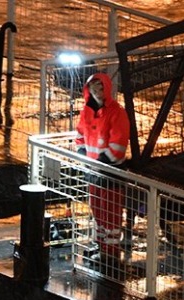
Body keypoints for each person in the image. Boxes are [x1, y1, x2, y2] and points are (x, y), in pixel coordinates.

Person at [75, 72, 130, 265]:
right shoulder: (87, 111)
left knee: (111, 213)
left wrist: (101, 160)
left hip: (109, 171)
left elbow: (119, 142)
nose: (97, 93)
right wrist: (82, 153)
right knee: (97, 210)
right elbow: (81, 134)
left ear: (106, 89)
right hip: (94, 170)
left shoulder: (117, 112)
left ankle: (111, 253)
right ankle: (101, 246)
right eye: (93, 89)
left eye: (100, 89)